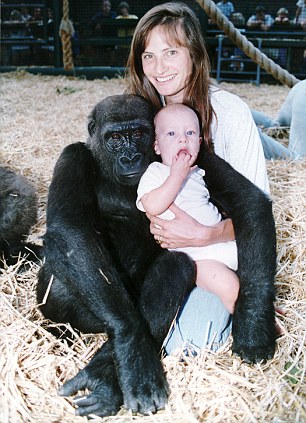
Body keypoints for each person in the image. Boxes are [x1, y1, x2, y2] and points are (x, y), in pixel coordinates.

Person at [125, 2, 269, 354]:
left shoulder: (228, 112)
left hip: (217, 252)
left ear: (194, 54)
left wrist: (208, 234)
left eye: (171, 52)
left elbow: (258, 213)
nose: (159, 68)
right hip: (165, 258)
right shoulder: (139, 112)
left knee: (189, 345)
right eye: (149, 56)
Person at [137, 104, 239, 314]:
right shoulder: (156, 172)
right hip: (197, 259)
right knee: (229, 287)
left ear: (199, 143)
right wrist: (176, 175)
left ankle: (265, 307)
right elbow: (151, 205)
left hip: (224, 243)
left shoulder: (198, 173)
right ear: (157, 146)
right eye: (172, 133)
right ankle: (252, 324)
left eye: (190, 133)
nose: (182, 139)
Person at [252, 79, 306, 159]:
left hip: (301, 87)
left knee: (274, 127)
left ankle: (239, 111)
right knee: (298, 158)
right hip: (303, 96)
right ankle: (245, 133)